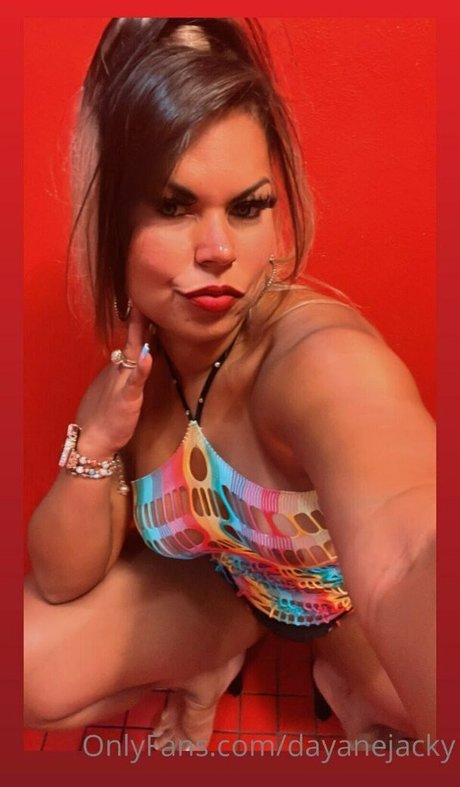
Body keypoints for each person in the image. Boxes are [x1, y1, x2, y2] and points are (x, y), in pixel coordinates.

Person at [24, 17, 435, 749]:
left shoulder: (316, 358)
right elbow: (58, 580)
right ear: (112, 224)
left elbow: (408, 546)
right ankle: (206, 673)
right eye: (174, 206)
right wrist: (99, 441)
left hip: (344, 621)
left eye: (247, 208)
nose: (218, 249)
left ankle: (342, 685)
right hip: (230, 594)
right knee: (25, 669)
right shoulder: (134, 377)